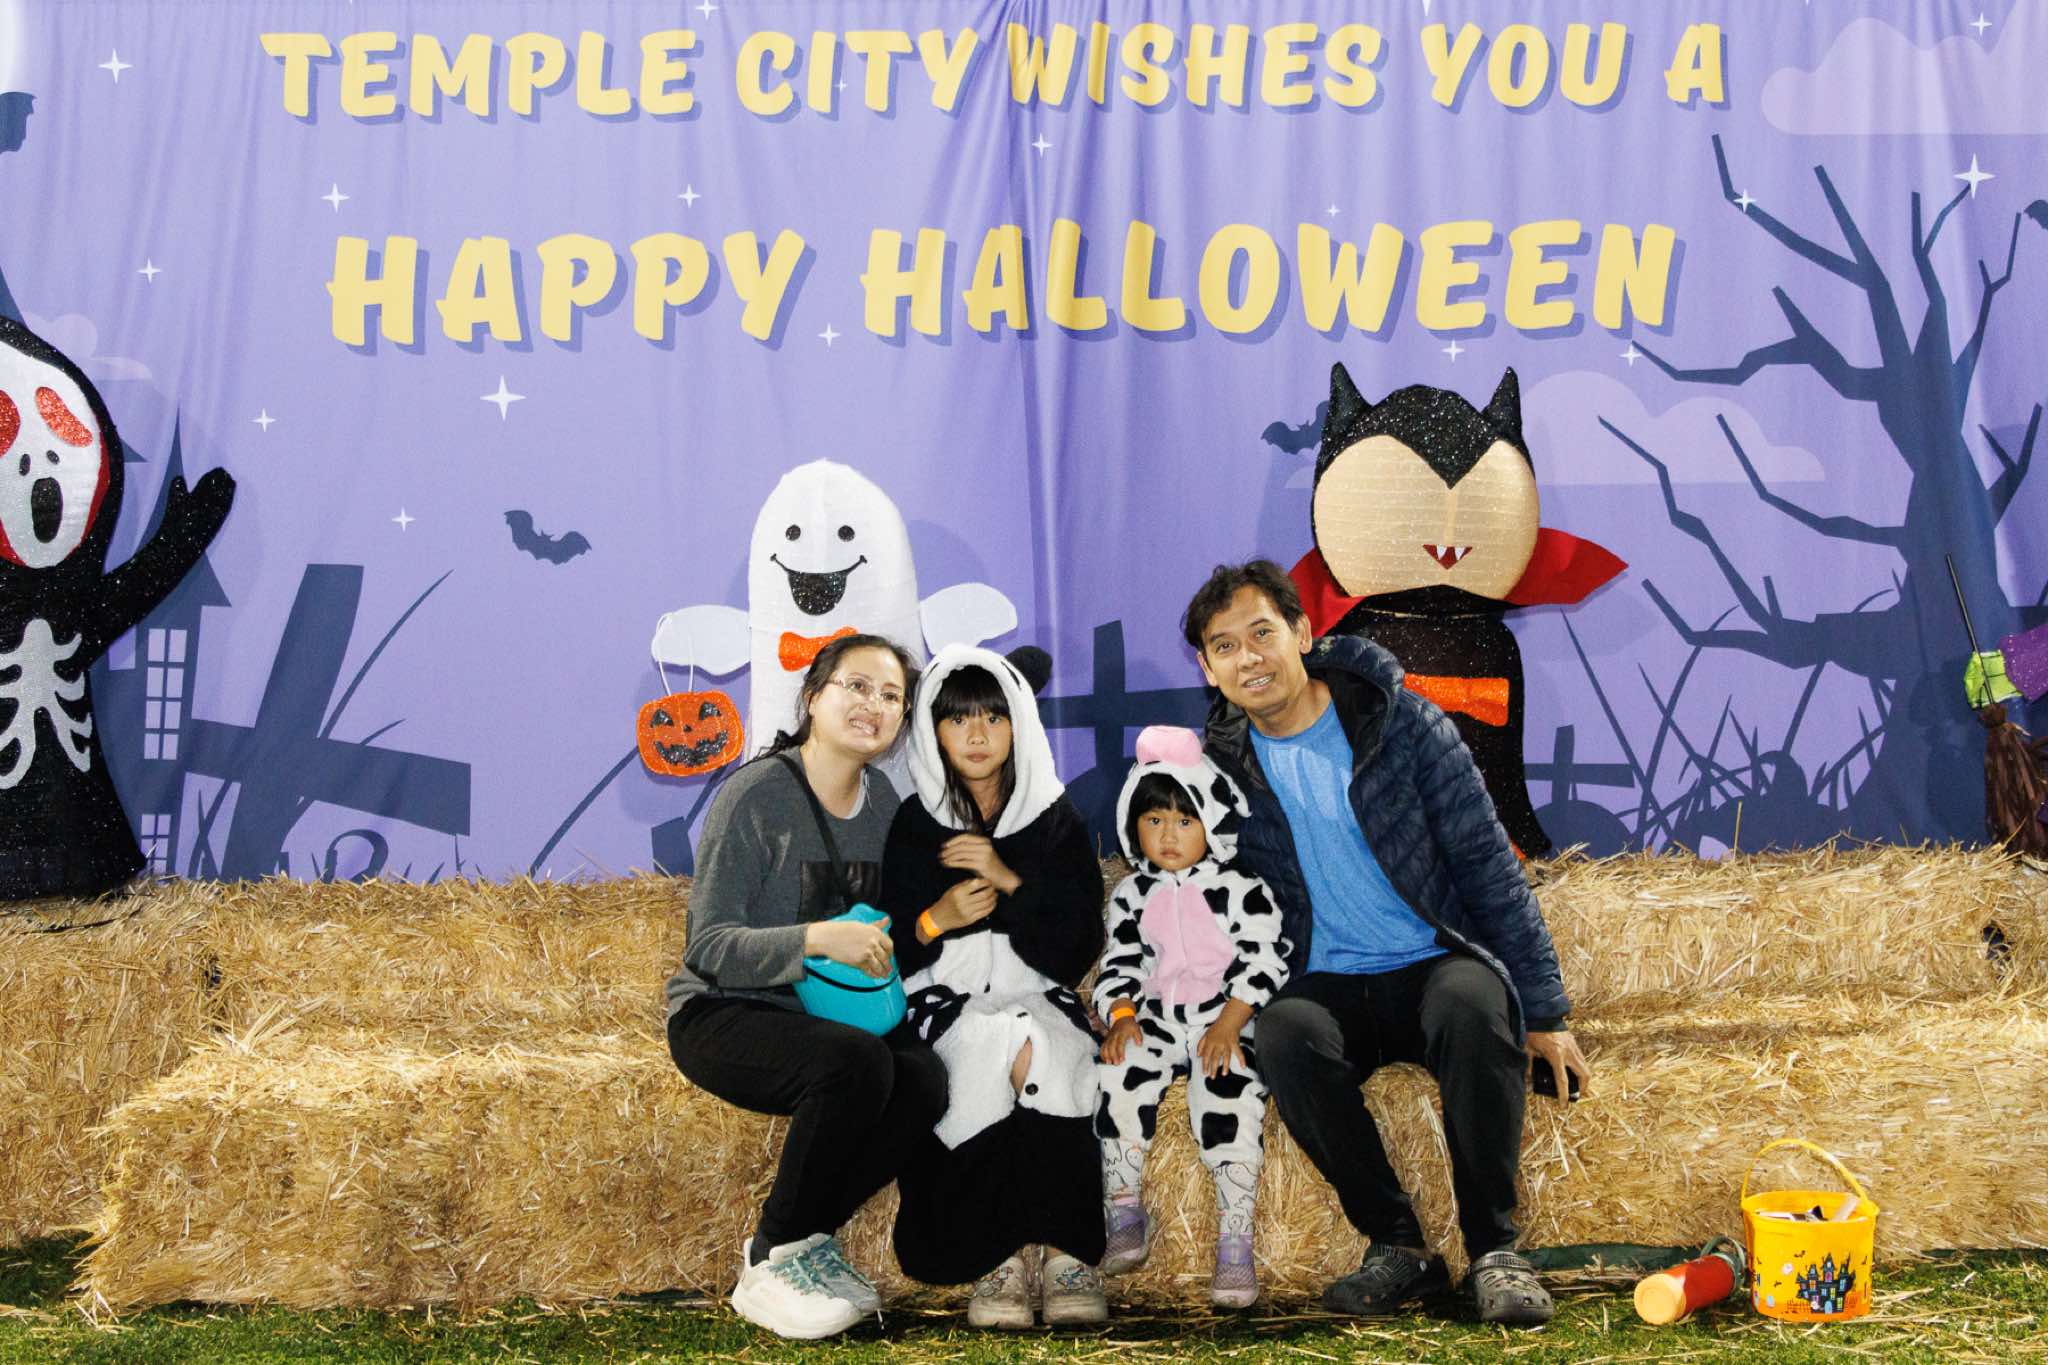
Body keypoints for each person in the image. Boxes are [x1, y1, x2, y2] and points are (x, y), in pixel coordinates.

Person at [1184, 560, 1590, 1327]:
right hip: (1324, 981)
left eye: (1263, 633)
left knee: (1475, 1002)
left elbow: (1487, 865)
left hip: (1432, 960)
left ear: (1304, 632)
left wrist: (1544, 1009)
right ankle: (1399, 1247)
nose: (1249, 658)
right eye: (1225, 646)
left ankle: (1495, 1250)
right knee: (1283, 1032)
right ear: (1208, 668)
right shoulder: (1216, 771)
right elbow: (1191, 893)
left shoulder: (1401, 723)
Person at [663, 634, 947, 1341]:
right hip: (724, 1010)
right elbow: (709, 947)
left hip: (828, 1014)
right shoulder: (756, 794)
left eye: (891, 696)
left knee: (924, 1078)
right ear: (814, 697)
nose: (873, 704)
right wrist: (818, 940)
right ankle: (770, 1256)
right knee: (855, 1061)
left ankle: (810, 1240)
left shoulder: (884, 802)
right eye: (857, 686)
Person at [883, 644, 1109, 1328]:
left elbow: (1078, 947)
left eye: (992, 716)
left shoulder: (1057, 819)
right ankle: (996, 1256)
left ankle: (1070, 1253)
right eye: (957, 719)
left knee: (1051, 1053)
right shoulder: (913, 823)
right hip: (943, 1000)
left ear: (1018, 724)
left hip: (1040, 993)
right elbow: (885, 948)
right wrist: (935, 919)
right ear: (933, 730)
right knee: (979, 1052)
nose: (976, 734)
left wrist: (1008, 880)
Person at [1092, 724, 1290, 1308]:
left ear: (1211, 821)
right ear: (1133, 825)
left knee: (1225, 1090)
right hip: (1156, 1016)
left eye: (1185, 821)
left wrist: (1231, 1023)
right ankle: (1124, 1208)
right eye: (1154, 820)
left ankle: (1235, 1237)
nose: (1168, 835)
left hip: (1222, 1015)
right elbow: (1120, 963)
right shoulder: (1131, 895)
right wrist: (1121, 1015)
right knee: (1119, 1071)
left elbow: (1267, 957)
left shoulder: (1240, 888)